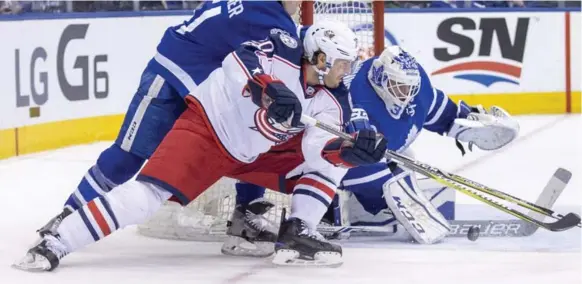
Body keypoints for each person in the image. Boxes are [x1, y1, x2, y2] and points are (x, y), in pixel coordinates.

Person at [13, 20, 387, 271]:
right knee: (146, 198)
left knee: (334, 164)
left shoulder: (334, 97)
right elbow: (235, 61)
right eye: (342, 63)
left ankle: (298, 229)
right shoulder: (280, 47)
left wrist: (349, 152)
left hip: (256, 153)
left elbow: (315, 149)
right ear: (319, 57)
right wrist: (266, 89)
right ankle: (58, 241)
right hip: (207, 132)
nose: (346, 71)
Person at [35, 0, 302, 244]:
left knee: (249, 141)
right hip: (172, 76)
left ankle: (247, 211)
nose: (303, 3)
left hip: (205, 89)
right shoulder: (271, 17)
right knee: (128, 157)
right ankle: (69, 215)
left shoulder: (261, 7)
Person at [234, 45, 520, 246]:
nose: (406, 96)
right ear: (382, 80)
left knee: (406, 157)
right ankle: (364, 206)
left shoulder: (414, 86)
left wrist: (467, 121)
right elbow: (353, 156)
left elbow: (441, 113)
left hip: (385, 150)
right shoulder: (356, 97)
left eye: (411, 89)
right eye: (400, 89)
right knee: (364, 162)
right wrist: (391, 191)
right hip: (330, 161)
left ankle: (384, 199)